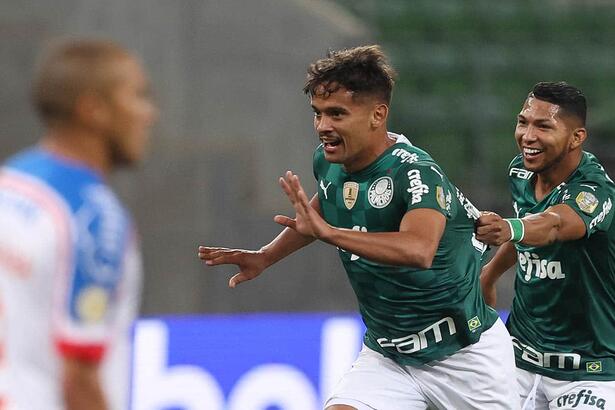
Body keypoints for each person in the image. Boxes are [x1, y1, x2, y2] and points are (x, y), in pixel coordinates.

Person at [199, 45, 519, 410]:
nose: (323, 127)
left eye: (337, 114)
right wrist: (266, 256)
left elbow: (419, 249)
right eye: (317, 114)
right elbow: (324, 207)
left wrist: (330, 233)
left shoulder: (415, 173)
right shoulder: (329, 161)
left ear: (377, 115)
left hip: (466, 357)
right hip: (388, 356)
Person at [0, 39, 156, 410]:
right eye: (137, 96)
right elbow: (80, 383)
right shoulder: (96, 221)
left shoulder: (10, 182)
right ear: (94, 109)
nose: (149, 113)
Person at [477, 82, 615, 410]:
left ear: (577, 137)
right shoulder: (520, 173)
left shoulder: (594, 192)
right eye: (523, 121)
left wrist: (509, 227)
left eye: (544, 126)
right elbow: (526, 233)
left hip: (589, 370)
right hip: (519, 361)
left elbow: (552, 226)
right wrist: (489, 274)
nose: (528, 135)